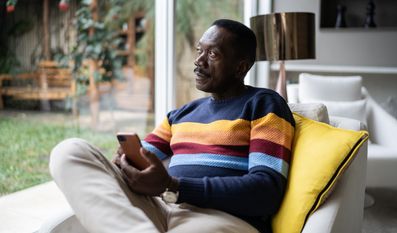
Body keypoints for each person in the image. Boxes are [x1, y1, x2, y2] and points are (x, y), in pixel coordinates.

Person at [49, 19, 295, 233]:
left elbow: (266, 191)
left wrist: (173, 186)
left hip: (223, 218)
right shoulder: (181, 114)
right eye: (199, 50)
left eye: (213, 54)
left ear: (240, 67)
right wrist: (125, 163)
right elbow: (143, 159)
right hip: (162, 208)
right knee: (69, 152)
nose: (198, 61)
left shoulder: (264, 104)